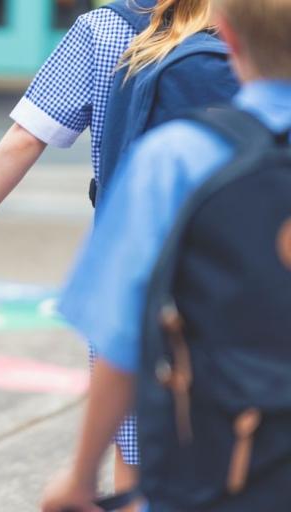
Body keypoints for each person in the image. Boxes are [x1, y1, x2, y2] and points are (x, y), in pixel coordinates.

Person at [0, 0, 225, 503]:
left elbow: (27, 135)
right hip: (244, 274)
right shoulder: (246, 25)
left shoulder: (102, 31)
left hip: (140, 277)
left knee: (139, 457)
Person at [41, 0, 291, 509]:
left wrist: (82, 477)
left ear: (227, 37)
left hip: (223, 454)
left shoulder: (176, 156)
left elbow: (121, 332)